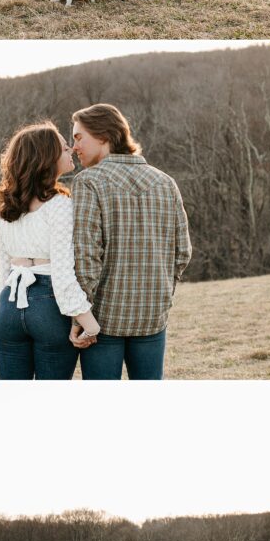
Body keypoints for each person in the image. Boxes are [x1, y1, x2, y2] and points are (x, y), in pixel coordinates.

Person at [70, 104, 192, 380]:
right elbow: (182, 252)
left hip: (103, 319)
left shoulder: (88, 182)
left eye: (79, 138)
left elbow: (86, 257)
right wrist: (160, 294)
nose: (74, 147)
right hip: (153, 316)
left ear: (103, 135)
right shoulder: (166, 182)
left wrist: (81, 316)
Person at [0, 122, 100, 379]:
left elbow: (3, 271)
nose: (71, 151)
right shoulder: (59, 205)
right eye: (64, 149)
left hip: (8, 308)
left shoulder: (7, 207)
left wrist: (5, 310)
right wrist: (91, 326)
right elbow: (63, 278)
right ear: (47, 159)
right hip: (47, 307)